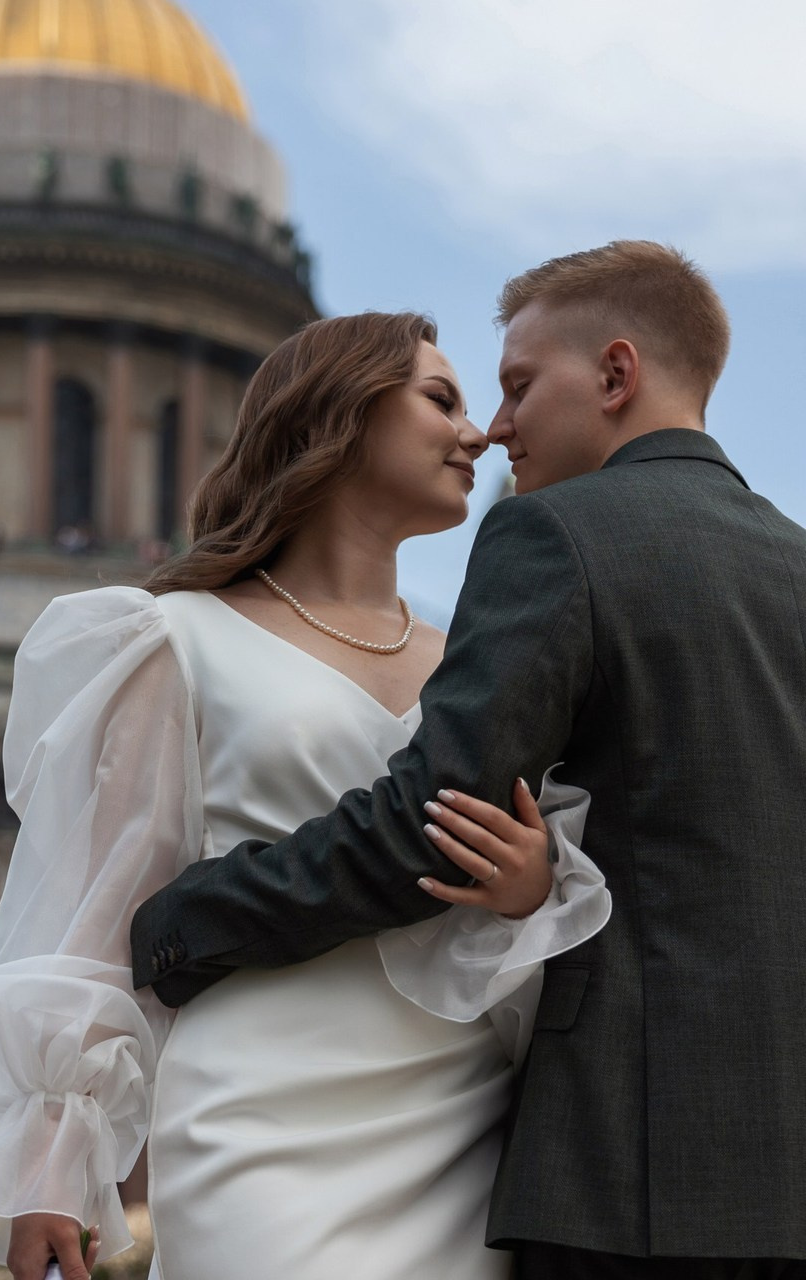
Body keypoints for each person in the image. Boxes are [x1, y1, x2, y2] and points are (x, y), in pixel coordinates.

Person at [131, 242, 806, 1278]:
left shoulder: (554, 535)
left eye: (515, 387)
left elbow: (428, 818)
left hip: (616, 1164)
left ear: (614, 376)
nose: (493, 429)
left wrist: (183, 920)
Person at [0, 311, 610, 1280]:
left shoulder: (476, 665)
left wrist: (530, 887)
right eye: (438, 400)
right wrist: (49, 1163)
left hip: (455, 1116)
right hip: (254, 1111)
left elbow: (508, 902)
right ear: (340, 413)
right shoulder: (170, 638)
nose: (477, 431)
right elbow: (101, 912)